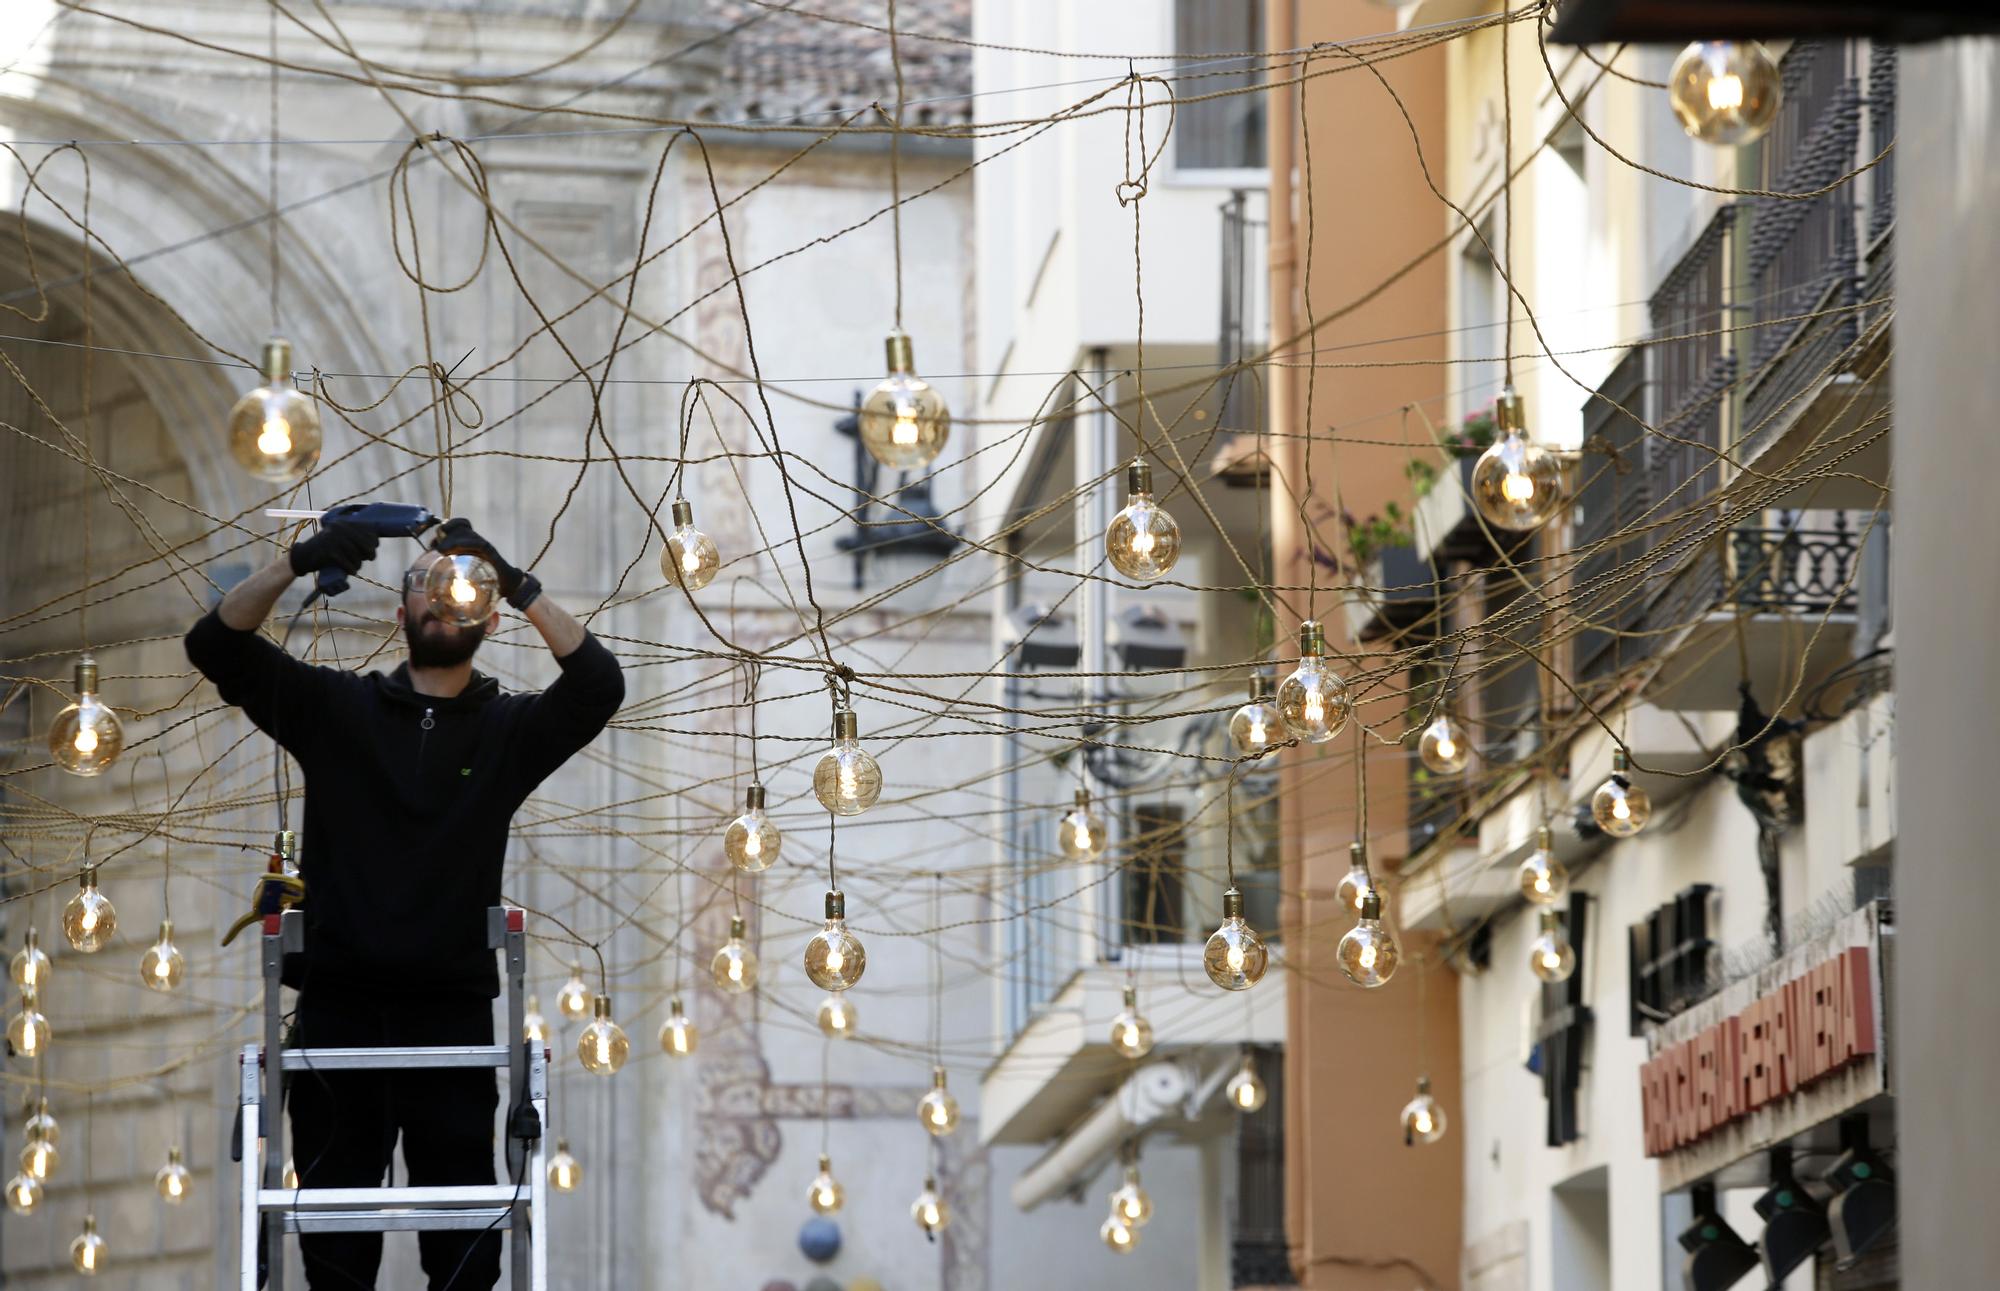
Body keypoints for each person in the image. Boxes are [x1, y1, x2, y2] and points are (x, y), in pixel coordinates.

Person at [186, 516, 624, 1290]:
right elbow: (214, 646)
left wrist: (516, 581)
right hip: (338, 1017)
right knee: (335, 1256)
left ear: (486, 619)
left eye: (460, 590)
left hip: (450, 1020)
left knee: (465, 1259)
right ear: (401, 613)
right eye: (424, 585)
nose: (441, 600)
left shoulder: (505, 730)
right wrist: (298, 559)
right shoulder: (336, 710)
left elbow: (598, 685)